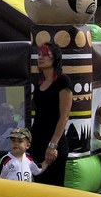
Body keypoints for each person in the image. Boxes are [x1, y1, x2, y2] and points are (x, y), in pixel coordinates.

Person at [28, 42, 73, 186]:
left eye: (45, 55)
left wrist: (53, 145)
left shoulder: (63, 81)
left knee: (55, 185)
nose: (40, 58)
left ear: (55, 58)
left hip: (54, 142)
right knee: (39, 184)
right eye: (39, 54)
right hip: (37, 141)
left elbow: (64, 116)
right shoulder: (39, 81)